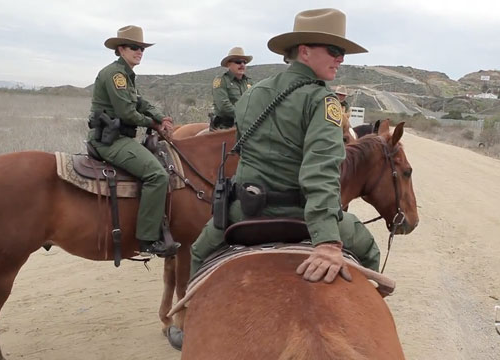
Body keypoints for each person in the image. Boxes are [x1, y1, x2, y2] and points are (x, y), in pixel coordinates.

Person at [191, 8, 380, 283]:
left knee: (197, 255)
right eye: (334, 49)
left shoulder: (251, 95)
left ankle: (184, 322)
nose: (340, 58)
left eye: (342, 52)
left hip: (245, 212)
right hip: (300, 214)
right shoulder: (323, 101)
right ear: (304, 51)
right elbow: (322, 170)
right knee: (370, 253)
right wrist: (327, 241)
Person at [87, 25, 179, 257]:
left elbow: (141, 102)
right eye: (134, 47)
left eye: (142, 48)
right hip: (111, 141)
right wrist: (155, 125)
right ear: (121, 49)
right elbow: (128, 113)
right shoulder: (115, 75)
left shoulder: (126, 75)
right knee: (157, 176)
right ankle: (147, 239)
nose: (140, 51)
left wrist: (161, 116)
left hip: (119, 137)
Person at [210, 47, 254, 130]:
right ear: (228, 64)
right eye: (238, 62)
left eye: (244, 62)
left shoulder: (249, 82)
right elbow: (223, 105)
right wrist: (243, 115)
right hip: (225, 125)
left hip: (246, 124)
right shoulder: (221, 80)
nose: (242, 65)